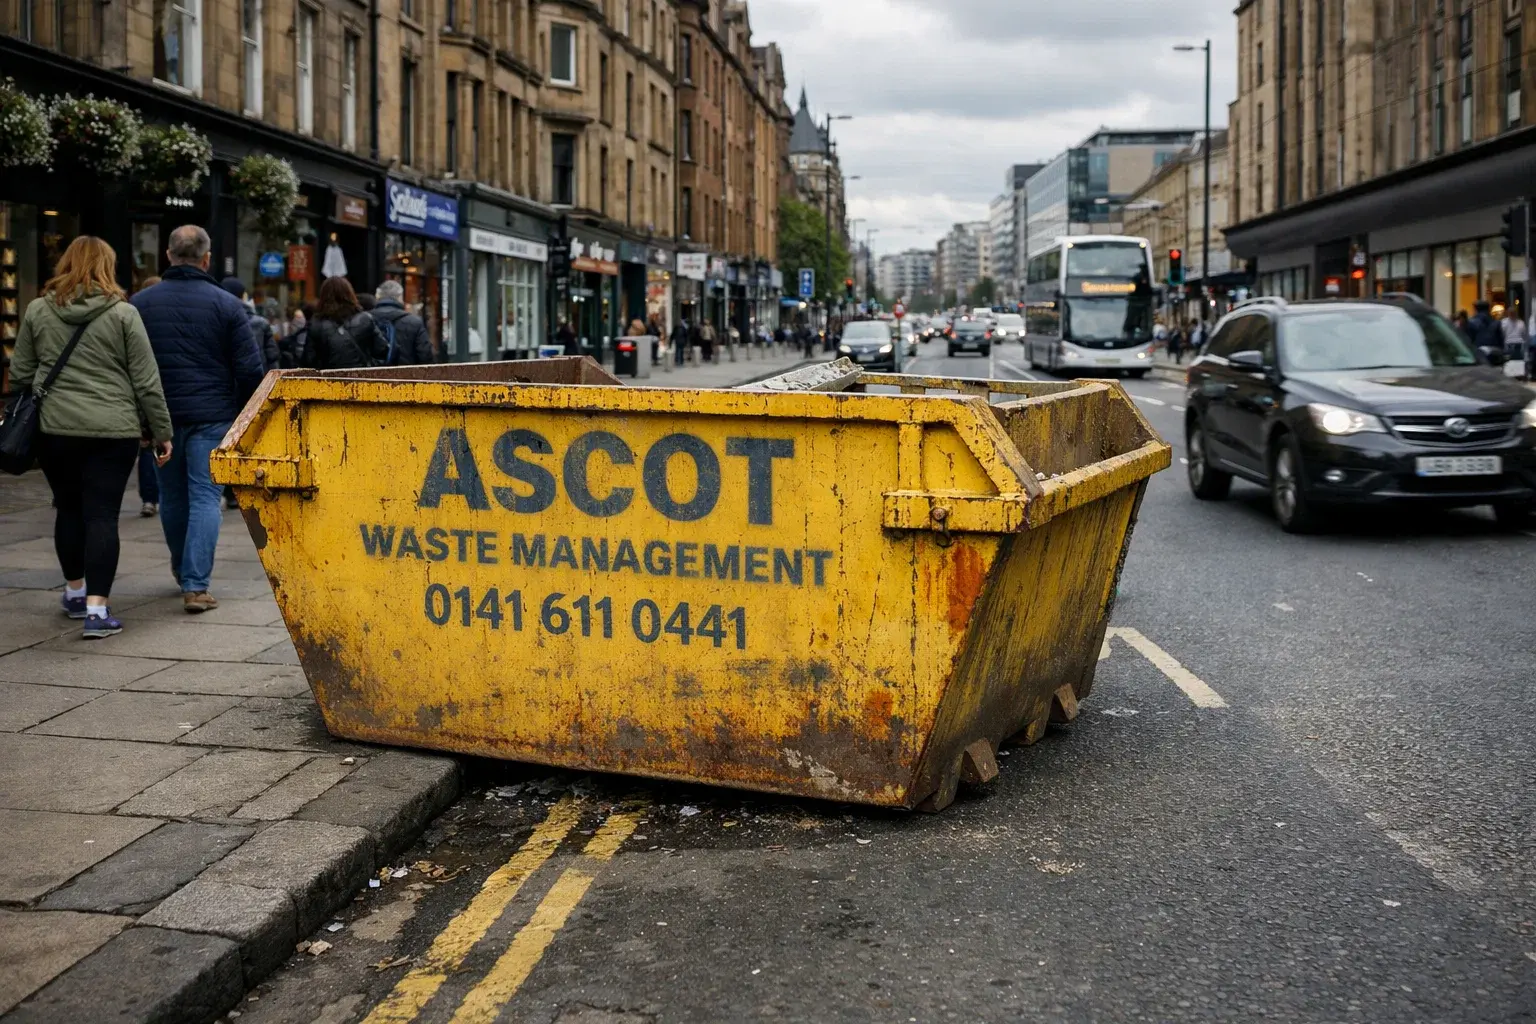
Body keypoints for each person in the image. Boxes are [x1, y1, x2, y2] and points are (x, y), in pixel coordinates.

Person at [11, 237, 174, 638]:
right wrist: (161, 432)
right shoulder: (123, 313)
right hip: (112, 431)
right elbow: (146, 381)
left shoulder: (37, 310)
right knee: (102, 515)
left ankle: (74, 592)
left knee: (68, 510)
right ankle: (98, 613)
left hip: (55, 430)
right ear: (108, 265)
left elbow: (20, 374)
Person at [132, 224, 263, 614]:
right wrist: (239, 414)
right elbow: (250, 370)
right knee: (206, 496)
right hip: (213, 415)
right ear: (206, 260)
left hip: (163, 416)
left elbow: (129, 366)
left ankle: (181, 570)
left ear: (168, 256)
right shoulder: (227, 305)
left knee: (172, 496)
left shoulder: (140, 304)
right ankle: (195, 585)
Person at [306, 277, 388, 369]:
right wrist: (369, 367)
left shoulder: (316, 324)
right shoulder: (365, 319)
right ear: (350, 294)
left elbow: (309, 360)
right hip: (362, 379)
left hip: (328, 380)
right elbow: (382, 350)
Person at [133, 276, 163, 517]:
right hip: (163, 389)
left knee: (145, 446)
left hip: (140, 389)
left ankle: (149, 499)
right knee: (164, 442)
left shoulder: (135, 316)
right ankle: (161, 495)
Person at [220, 278, 280, 372]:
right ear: (243, 296)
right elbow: (272, 357)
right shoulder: (261, 323)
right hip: (258, 380)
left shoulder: (215, 321)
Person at [371, 280, 434, 365]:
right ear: (400, 297)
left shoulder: (365, 319)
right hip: (407, 376)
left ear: (378, 296)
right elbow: (425, 356)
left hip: (373, 376)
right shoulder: (414, 322)